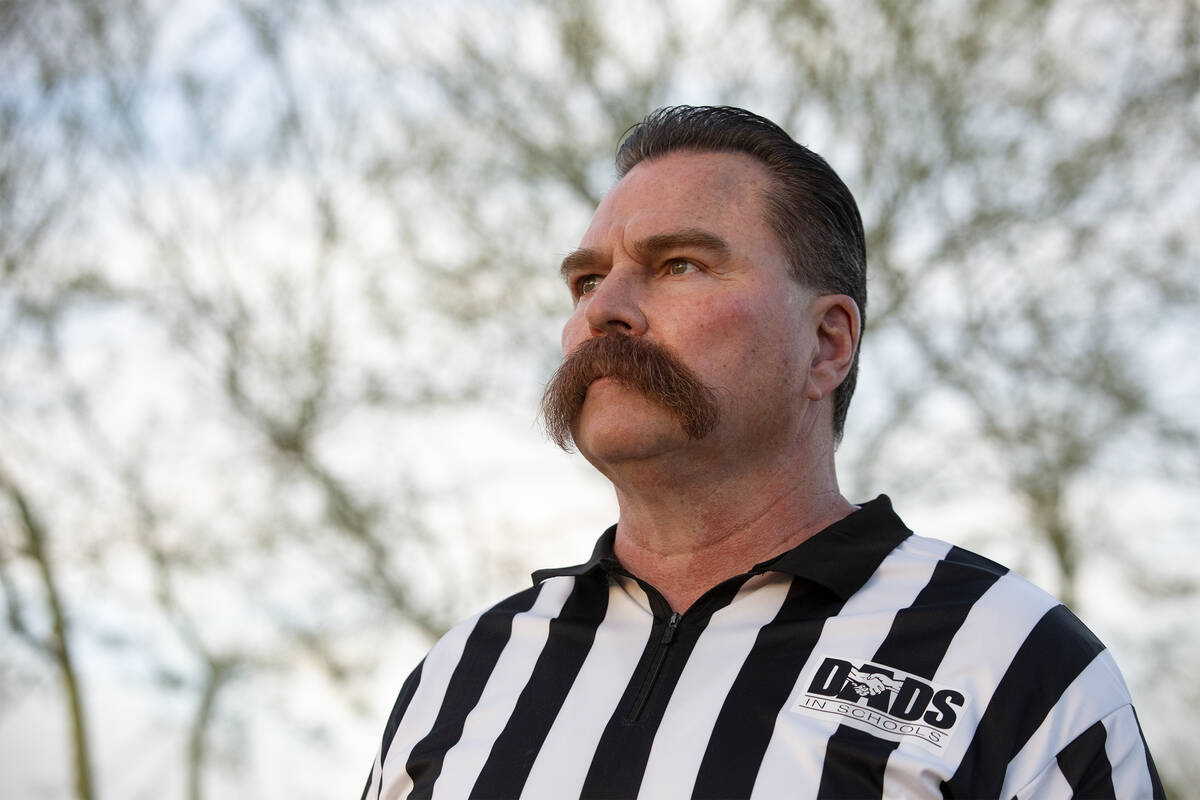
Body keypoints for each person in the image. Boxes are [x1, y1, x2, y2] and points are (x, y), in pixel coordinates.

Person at [361, 106, 1163, 799]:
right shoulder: (465, 675)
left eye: (678, 265)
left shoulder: (1011, 660)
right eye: (585, 281)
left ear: (826, 344)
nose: (605, 310)